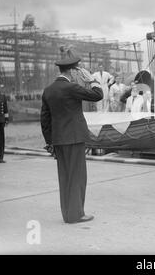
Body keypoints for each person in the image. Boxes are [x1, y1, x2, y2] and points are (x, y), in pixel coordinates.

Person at [40, 46, 103, 224]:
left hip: (59, 140)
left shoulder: (49, 90)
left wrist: (50, 142)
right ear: (74, 71)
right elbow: (98, 95)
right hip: (74, 139)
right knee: (77, 176)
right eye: (78, 70)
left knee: (65, 177)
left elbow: (44, 120)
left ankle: (67, 213)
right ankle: (76, 215)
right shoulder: (71, 87)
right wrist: (91, 79)